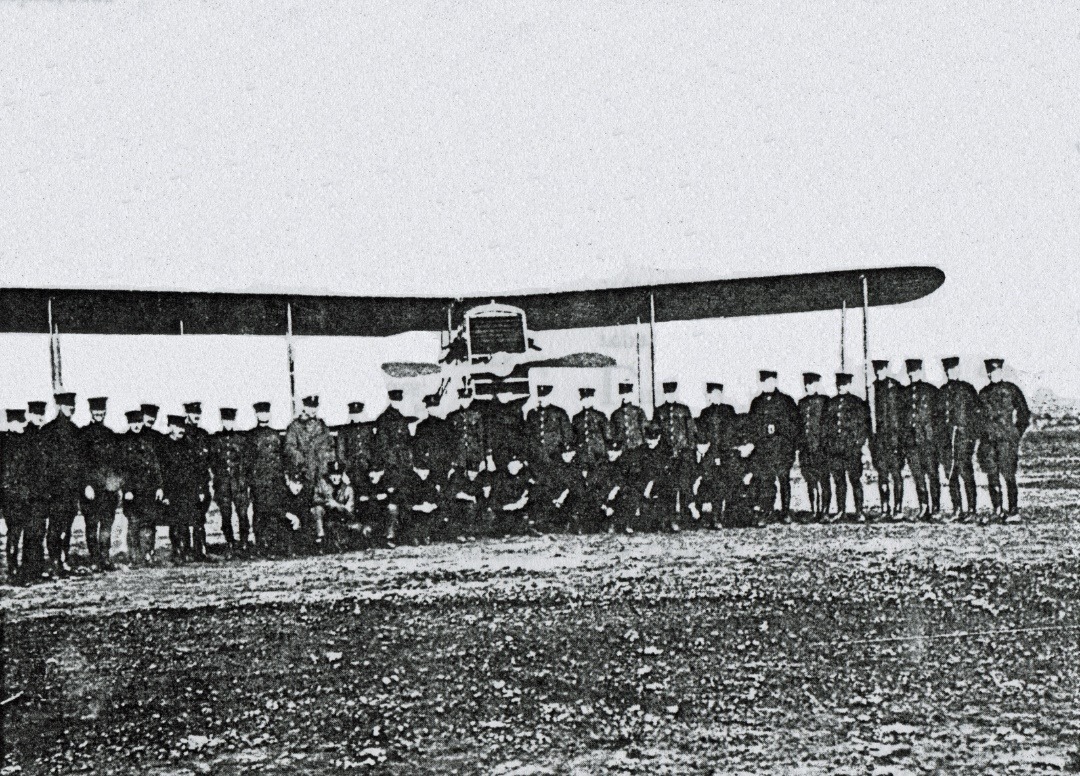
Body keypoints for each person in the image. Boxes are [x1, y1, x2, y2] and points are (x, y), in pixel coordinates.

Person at [978, 358, 1030, 521]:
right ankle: (997, 510)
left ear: (1002, 372)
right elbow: (977, 418)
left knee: (1008, 475)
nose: (994, 375)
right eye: (991, 373)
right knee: (992, 475)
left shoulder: (1012, 390)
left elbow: (1024, 414)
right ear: (988, 374)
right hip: (988, 441)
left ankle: (1013, 511)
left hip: (1006, 440)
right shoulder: (983, 393)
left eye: (997, 372)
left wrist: (1016, 433)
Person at [40, 392, 82, 576]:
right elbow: (43, 463)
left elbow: (81, 461)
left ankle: (64, 559)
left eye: (72, 406)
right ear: (59, 407)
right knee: (55, 527)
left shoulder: (75, 430)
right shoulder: (48, 431)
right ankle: (55, 560)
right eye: (67, 406)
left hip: (71, 489)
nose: (70, 409)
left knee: (68, 525)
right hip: (55, 489)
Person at [747, 371, 799, 520]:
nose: (767, 385)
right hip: (764, 451)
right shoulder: (757, 402)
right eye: (764, 382)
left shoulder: (786, 401)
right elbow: (752, 426)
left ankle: (785, 512)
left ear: (775, 382)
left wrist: (781, 431)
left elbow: (794, 425)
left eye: (770, 382)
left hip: (782, 450)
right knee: (766, 482)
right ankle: (766, 511)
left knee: (784, 480)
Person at [80, 397, 124, 570]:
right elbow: (81, 464)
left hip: (108, 490)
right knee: (91, 524)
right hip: (91, 490)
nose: (99, 414)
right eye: (96, 411)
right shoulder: (84, 435)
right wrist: (86, 485)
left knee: (106, 524)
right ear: (91, 412)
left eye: (102, 411)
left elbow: (118, 463)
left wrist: (117, 484)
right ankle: (94, 559)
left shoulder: (111, 435)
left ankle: (105, 558)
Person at [158, 415, 210, 562]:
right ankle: (178, 551)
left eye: (182, 427)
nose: (181, 430)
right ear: (170, 427)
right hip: (172, 491)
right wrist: (165, 493)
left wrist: (200, 489)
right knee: (176, 522)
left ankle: (194, 552)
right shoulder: (163, 445)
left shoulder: (188, 445)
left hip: (189, 489)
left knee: (192, 520)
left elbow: (197, 468)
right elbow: (160, 472)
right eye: (177, 427)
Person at [937, 357, 982, 519]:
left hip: (963, 440)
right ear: (946, 372)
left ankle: (971, 510)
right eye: (948, 370)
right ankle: (957, 509)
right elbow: (938, 418)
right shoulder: (942, 392)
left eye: (954, 370)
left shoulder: (967, 389)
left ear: (958, 370)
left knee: (966, 473)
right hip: (947, 441)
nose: (951, 373)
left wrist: (972, 437)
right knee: (951, 475)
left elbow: (977, 415)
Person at [823, 373, 871, 522]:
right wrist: (828, 444)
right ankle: (841, 511)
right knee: (839, 482)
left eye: (844, 384)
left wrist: (858, 445)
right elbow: (825, 427)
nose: (841, 387)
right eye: (839, 384)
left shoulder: (857, 403)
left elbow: (863, 427)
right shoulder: (831, 403)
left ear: (849, 385)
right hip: (836, 449)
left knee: (855, 480)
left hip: (851, 449)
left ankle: (859, 511)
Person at [118, 409, 163, 566]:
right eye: (133, 422)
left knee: (149, 525)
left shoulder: (148, 442)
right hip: (132, 493)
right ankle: (134, 558)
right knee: (134, 525)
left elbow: (155, 466)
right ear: (129, 423)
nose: (136, 425)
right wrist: (127, 490)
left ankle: (147, 554)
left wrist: (159, 487)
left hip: (148, 491)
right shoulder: (124, 443)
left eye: (138, 422)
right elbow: (122, 471)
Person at [901, 359, 941, 519]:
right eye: (910, 372)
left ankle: (936, 508)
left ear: (920, 372)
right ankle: (924, 506)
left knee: (932, 474)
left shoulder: (931, 391)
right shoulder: (904, 393)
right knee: (918, 476)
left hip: (928, 441)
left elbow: (937, 417)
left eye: (915, 371)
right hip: (912, 442)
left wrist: (934, 437)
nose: (912, 375)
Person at [695, 383, 738, 526]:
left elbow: (732, 431)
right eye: (712, 394)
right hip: (711, 453)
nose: (716, 397)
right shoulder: (705, 413)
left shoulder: (729, 410)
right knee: (713, 483)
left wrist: (727, 449)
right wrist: (704, 446)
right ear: (708, 396)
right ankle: (714, 517)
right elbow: (701, 433)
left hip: (727, 452)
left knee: (730, 482)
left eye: (718, 394)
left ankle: (730, 516)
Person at [211, 407, 252, 555]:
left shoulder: (241, 439)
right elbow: (212, 462)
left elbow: (247, 461)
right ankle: (229, 542)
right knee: (226, 515)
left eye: (231, 420)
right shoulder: (216, 440)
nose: (228, 423)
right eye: (226, 420)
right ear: (222, 421)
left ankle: (244, 543)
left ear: (234, 421)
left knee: (242, 514)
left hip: (238, 483)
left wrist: (243, 480)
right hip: (222, 484)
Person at [870, 360, 906, 519]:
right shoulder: (874, 387)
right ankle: (885, 508)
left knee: (896, 474)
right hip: (880, 440)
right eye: (876, 370)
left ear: (886, 369)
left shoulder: (896, 387)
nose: (878, 373)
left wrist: (901, 438)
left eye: (881, 370)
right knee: (882, 474)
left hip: (895, 439)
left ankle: (898, 509)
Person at [248, 402, 284, 555]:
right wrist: (252, 480)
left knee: (274, 512)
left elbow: (281, 457)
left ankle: (273, 544)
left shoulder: (276, 434)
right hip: (259, 481)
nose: (264, 416)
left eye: (266, 413)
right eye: (261, 413)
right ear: (256, 415)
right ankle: (260, 544)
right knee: (260, 512)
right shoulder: (251, 436)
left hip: (275, 480)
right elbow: (248, 460)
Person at [285, 395, 336, 499]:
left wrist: (327, 461)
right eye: (309, 407)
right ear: (304, 407)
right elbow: (289, 447)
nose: (313, 410)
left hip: (322, 473)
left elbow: (331, 447)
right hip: (304, 473)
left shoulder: (322, 426)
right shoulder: (295, 426)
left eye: (315, 407)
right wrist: (302, 460)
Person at [2, 410, 31, 583]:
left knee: (25, 532)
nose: (22, 425)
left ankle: (22, 568)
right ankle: (12, 570)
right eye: (19, 422)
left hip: (24, 495)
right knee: (14, 532)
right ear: (11, 423)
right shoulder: (4, 442)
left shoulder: (24, 442)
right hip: (11, 496)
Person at [797, 374, 829, 520]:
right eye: (806, 384)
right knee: (811, 480)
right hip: (806, 449)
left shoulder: (824, 401)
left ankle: (825, 512)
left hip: (821, 448)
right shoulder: (802, 403)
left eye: (810, 384)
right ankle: (814, 510)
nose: (807, 387)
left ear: (817, 385)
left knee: (823, 480)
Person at [183, 402, 213, 557]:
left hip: (202, 482)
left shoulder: (203, 434)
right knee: (186, 515)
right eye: (193, 413)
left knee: (200, 516)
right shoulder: (183, 434)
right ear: (186, 413)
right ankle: (186, 550)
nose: (196, 416)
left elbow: (208, 460)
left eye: (198, 414)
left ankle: (200, 549)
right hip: (187, 482)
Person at [525, 384, 574, 468]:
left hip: (555, 455)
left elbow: (567, 434)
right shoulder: (532, 414)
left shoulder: (559, 412)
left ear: (549, 397)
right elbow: (528, 435)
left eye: (544, 397)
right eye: (540, 397)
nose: (541, 399)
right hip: (537, 457)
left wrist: (566, 451)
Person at [311, 460, 355, 551]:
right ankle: (321, 537)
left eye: (338, 474)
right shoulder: (323, 484)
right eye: (333, 474)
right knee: (317, 509)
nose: (336, 478)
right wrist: (326, 502)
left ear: (342, 475)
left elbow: (350, 510)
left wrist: (337, 505)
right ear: (329, 475)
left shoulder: (348, 488)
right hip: (326, 515)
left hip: (341, 518)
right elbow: (315, 498)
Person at [336, 400, 376, 489]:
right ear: (350, 415)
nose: (356, 417)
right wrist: (345, 468)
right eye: (354, 415)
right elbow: (341, 451)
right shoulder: (344, 430)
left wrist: (373, 467)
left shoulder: (367, 430)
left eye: (358, 415)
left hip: (367, 467)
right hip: (351, 468)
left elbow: (374, 448)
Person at [447, 387, 485, 473]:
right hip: (459, 456)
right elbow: (450, 439)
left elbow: (481, 438)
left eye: (467, 399)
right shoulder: (453, 416)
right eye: (462, 399)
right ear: (459, 399)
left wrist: (482, 459)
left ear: (471, 399)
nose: (465, 402)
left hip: (474, 455)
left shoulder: (477, 415)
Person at [654, 381, 696, 456]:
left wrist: (691, 447)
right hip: (665, 449)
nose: (670, 396)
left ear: (675, 394)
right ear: (665, 395)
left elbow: (691, 429)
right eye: (668, 394)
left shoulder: (684, 409)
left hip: (682, 449)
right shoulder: (659, 411)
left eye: (672, 394)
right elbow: (656, 429)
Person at [571, 387, 607, 464]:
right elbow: (573, 437)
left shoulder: (600, 416)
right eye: (583, 399)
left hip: (597, 453)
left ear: (592, 400)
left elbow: (607, 435)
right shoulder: (576, 418)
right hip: (582, 453)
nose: (585, 402)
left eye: (588, 399)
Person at [608, 382, 647, 452]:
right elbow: (613, 433)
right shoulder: (616, 414)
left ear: (631, 394)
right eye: (623, 394)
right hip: (622, 449)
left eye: (627, 394)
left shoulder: (638, 411)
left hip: (637, 447)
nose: (625, 396)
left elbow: (644, 430)